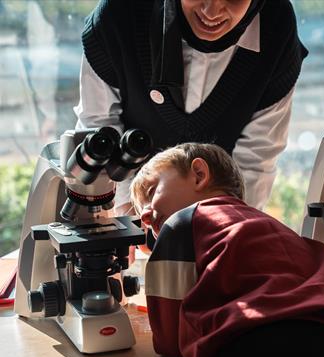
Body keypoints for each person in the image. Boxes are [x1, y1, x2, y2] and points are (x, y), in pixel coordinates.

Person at [129, 142, 324, 357]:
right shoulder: (289, 237)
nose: (146, 218)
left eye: (151, 192)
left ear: (199, 174)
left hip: (252, 351)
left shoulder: (183, 223)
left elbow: (170, 341)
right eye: (141, 214)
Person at [74, 0, 308, 215]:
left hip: (217, 215)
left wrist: (230, 231)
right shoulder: (119, 13)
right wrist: (126, 214)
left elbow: (257, 156)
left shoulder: (277, 27)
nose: (211, 12)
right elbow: (99, 127)